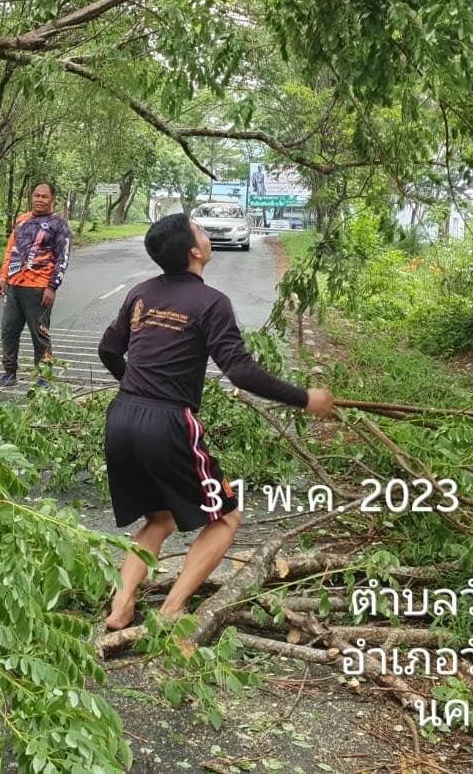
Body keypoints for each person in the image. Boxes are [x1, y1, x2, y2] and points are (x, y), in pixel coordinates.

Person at [96, 213, 333, 631]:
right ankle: (172, 611)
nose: (207, 234)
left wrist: (136, 389)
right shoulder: (211, 303)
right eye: (201, 230)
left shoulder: (141, 293)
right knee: (225, 518)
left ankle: (121, 608)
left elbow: (108, 350)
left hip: (122, 417)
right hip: (167, 424)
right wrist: (304, 399)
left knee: (161, 518)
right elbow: (240, 372)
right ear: (194, 251)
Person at [0, 181, 71, 388]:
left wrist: (52, 287)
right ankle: (9, 373)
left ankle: (43, 377)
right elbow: (11, 250)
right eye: (36, 195)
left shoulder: (59, 225)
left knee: (40, 335)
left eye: (44, 197)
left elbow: (62, 258)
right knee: (8, 331)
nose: (39, 200)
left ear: (52, 199)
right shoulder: (21, 220)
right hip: (14, 285)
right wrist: (3, 277)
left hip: (39, 288)